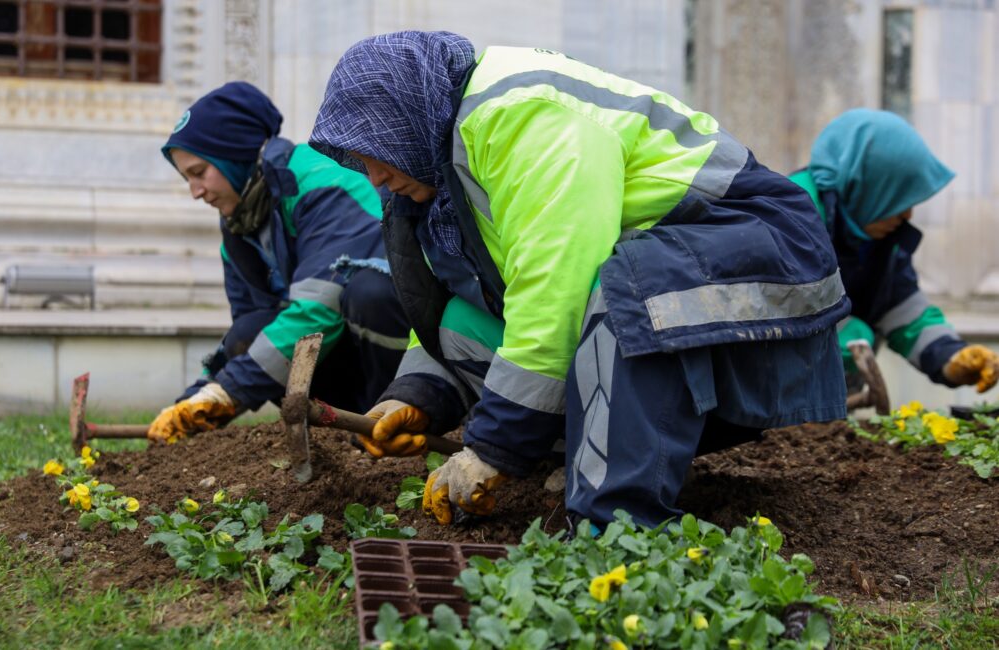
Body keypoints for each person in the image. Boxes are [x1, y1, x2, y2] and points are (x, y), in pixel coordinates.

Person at [308, 31, 851, 529]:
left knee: (625, 289)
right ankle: (583, 465)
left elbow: (559, 288)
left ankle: (616, 528)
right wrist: (419, 394)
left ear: (406, 121)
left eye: (374, 154)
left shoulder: (520, 116)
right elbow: (460, 298)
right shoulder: (445, 164)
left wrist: (493, 447)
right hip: (672, 286)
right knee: (455, 325)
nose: (373, 177)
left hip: (762, 250)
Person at [148, 82, 409, 444]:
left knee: (369, 293)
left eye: (198, 172)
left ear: (233, 156)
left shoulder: (323, 182)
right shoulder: (240, 228)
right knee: (247, 334)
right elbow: (253, 332)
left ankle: (396, 420)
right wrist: (196, 399)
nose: (195, 192)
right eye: (187, 178)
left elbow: (320, 307)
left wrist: (229, 391)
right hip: (345, 356)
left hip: (407, 353)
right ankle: (340, 437)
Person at [790, 109, 998, 397]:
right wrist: (847, 337)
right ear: (868, 183)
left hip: (822, 400)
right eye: (897, 198)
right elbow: (781, 311)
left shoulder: (871, 231)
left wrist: (952, 357)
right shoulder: (788, 217)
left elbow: (900, 306)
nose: (907, 214)